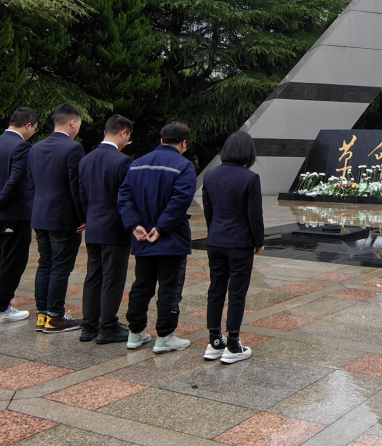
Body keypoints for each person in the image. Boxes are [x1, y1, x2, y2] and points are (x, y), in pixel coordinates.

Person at [118, 122, 197, 354]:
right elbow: (180, 201)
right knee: (170, 288)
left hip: (142, 237)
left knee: (141, 285)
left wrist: (135, 225)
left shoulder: (137, 164)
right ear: (184, 143)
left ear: (161, 140)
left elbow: (124, 197)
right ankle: (165, 337)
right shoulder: (184, 166)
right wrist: (161, 228)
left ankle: (135, 333)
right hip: (171, 239)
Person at [200, 131, 265, 364]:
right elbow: (254, 215)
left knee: (216, 289)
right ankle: (233, 344)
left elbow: (209, 210)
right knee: (237, 293)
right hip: (240, 244)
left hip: (216, 241)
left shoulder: (210, 175)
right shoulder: (250, 178)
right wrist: (259, 241)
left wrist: (215, 233)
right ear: (248, 153)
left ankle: (214, 341)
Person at [0, 107, 39, 324]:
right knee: (12, 261)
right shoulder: (22, 147)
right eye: (34, 128)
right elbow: (16, 179)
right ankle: (2, 307)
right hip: (12, 214)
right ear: (28, 125)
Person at [76, 114, 134, 344]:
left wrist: (87, 217)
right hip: (115, 228)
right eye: (128, 137)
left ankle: (89, 326)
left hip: (94, 226)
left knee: (93, 276)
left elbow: (82, 195)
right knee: (112, 278)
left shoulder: (86, 159)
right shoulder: (123, 161)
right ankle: (108, 326)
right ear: (123, 133)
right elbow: (126, 197)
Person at [30, 103, 87, 333]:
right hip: (64, 217)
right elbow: (76, 187)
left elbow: (30, 184)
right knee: (60, 268)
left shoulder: (35, 148)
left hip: (40, 215)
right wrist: (83, 216)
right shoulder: (73, 148)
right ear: (73, 122)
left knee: (45, 264)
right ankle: (55, 317)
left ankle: (42, 314)